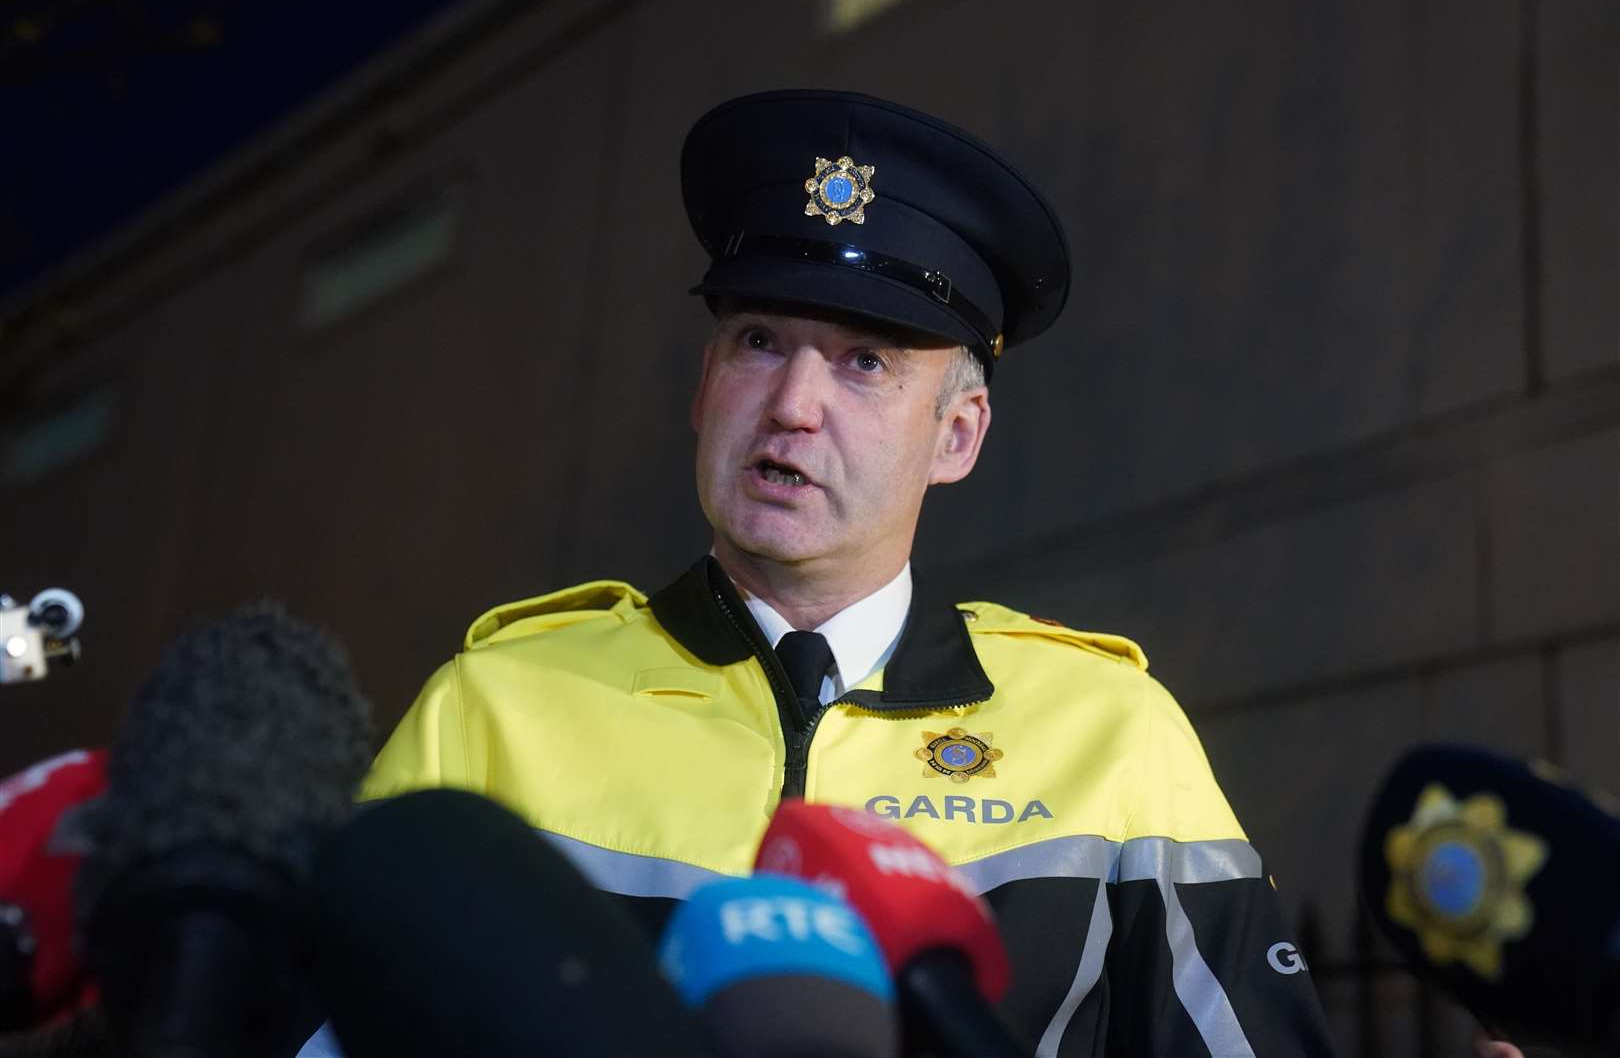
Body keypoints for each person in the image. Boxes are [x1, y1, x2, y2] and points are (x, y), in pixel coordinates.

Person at [346, 90, 1337, 1056]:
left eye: (864, 362)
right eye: (759, 341)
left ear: (957, 435)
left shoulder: (1114, 735)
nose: (791, 404)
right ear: (704, 386)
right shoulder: (492, 711)